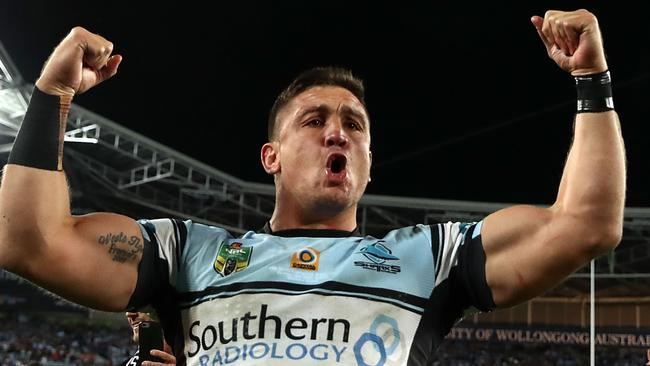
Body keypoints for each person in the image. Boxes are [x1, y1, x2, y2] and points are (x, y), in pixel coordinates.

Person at [0, 9, 625, 366]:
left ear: (369, 165)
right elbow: (29, 241)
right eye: (315, 121)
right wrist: (52, 96)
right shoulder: (184, 252)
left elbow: (586, 225)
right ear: (270, 157)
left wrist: (591, 78)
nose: (338, 134)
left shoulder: (430, 259)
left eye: (354, 126)